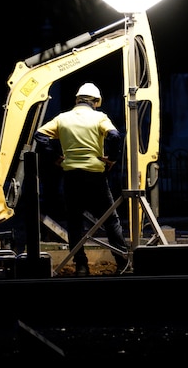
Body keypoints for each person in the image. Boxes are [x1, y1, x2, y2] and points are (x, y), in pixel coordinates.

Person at [35, 82, 129, 276]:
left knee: (75, 223)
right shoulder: (99, 117)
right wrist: (111, 159)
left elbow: (40, 135)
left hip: (71, 176)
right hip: (95, 175)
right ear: (95, 101)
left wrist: (55, 157)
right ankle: (122, 263)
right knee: (111, 221)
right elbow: (115, 137)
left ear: (77, 99)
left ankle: (81, 266)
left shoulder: (63, 118)